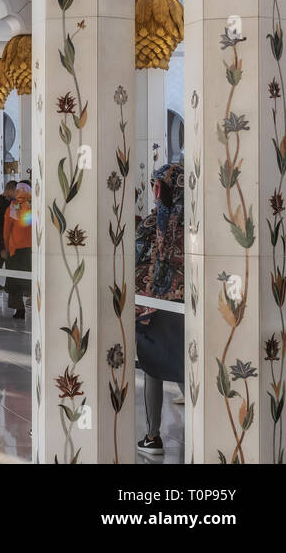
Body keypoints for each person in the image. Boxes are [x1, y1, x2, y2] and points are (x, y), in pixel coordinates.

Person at [136, 162, 185, 457]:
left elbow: (136, 255)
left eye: (157, 185)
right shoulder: (195, 222)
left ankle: (153, 437)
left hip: (154, 306)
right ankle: (204, 429)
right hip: (186, 305)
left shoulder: (153, 223)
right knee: (185, 362)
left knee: (153, 368)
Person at [2, 182, 33, 318]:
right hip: (31, 250)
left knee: (14, 279)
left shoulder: (13, 208)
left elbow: (6, 231)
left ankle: (19, 308)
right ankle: (32, 299)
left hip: (15, 249)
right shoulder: (34, 206)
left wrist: (5, 247)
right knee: (30, 277)